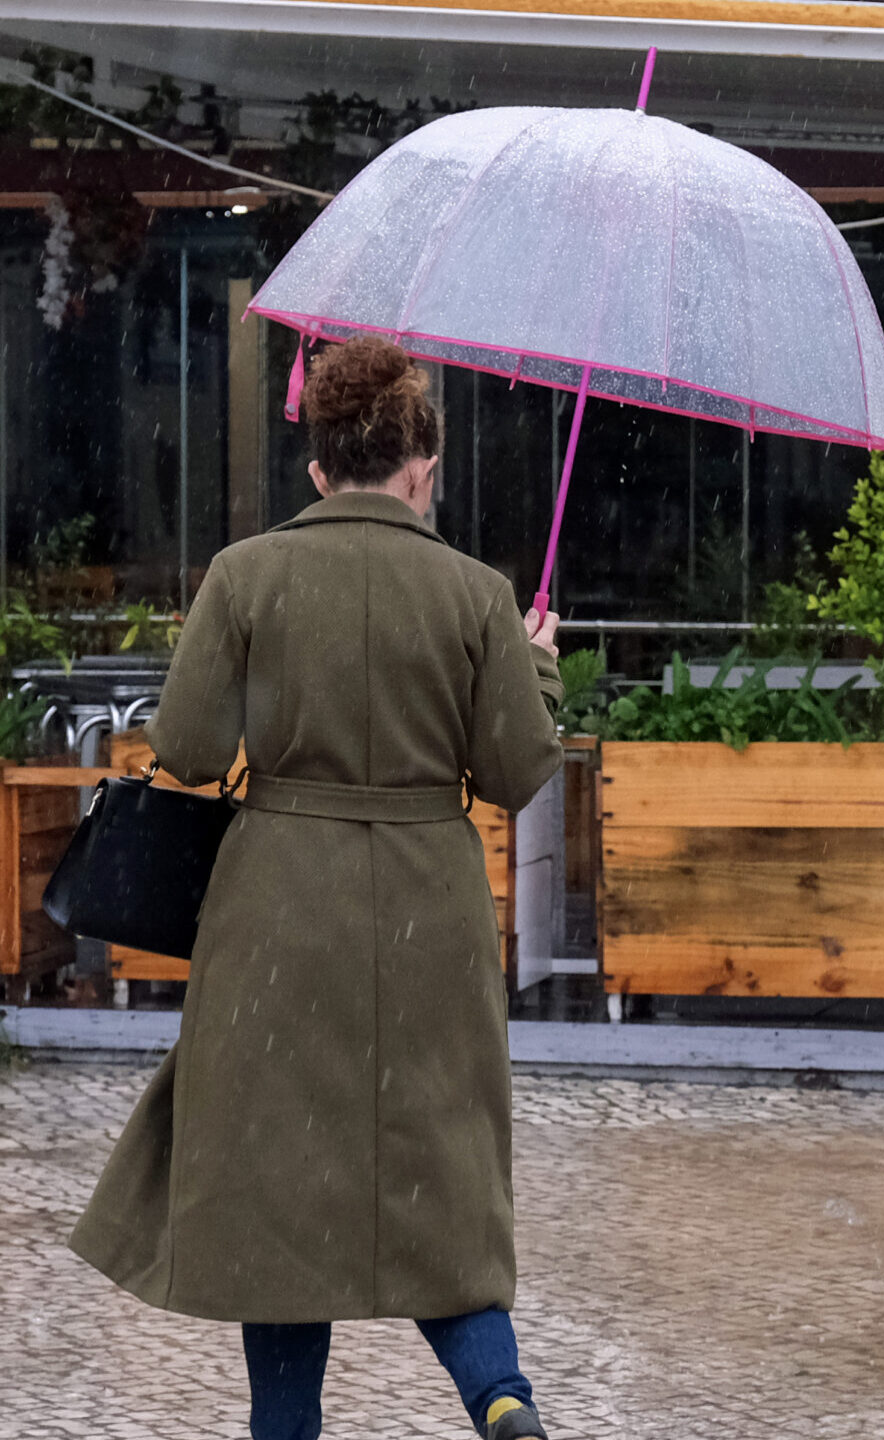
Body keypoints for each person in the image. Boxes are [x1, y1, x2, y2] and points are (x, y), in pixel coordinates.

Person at [69, 336, 565, 1440]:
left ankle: (285, 1430)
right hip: (430, 909)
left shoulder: (247, 575)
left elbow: (190, 752)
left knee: (283, 1195)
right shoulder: (479, 595)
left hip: (278, 908)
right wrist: (535, 661)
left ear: (317, 467)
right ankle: (499, 1395)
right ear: (422, 464)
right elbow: (517, 772)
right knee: (443, 1170)